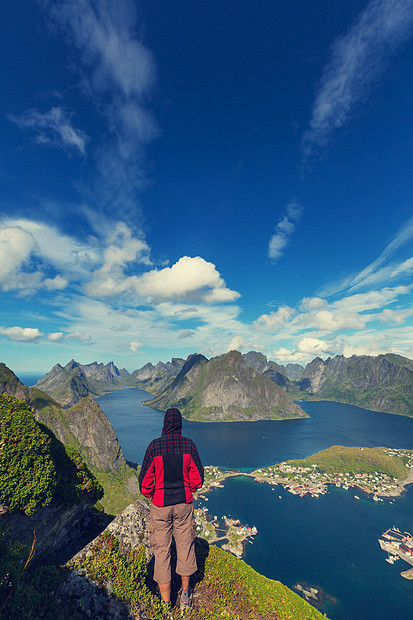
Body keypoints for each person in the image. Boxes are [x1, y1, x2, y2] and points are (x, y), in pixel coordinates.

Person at [139, 407, 204, 610]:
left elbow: (144, 483)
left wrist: (154, 495)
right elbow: (198, 478)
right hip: (183, 503)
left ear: (165, 424)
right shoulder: (188, 445)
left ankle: (166, 603)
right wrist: (188, 489)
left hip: (160, 505)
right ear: (180, 424)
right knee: (185, 545)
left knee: (162, 551)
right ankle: (185, 595)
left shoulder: (154, 447)